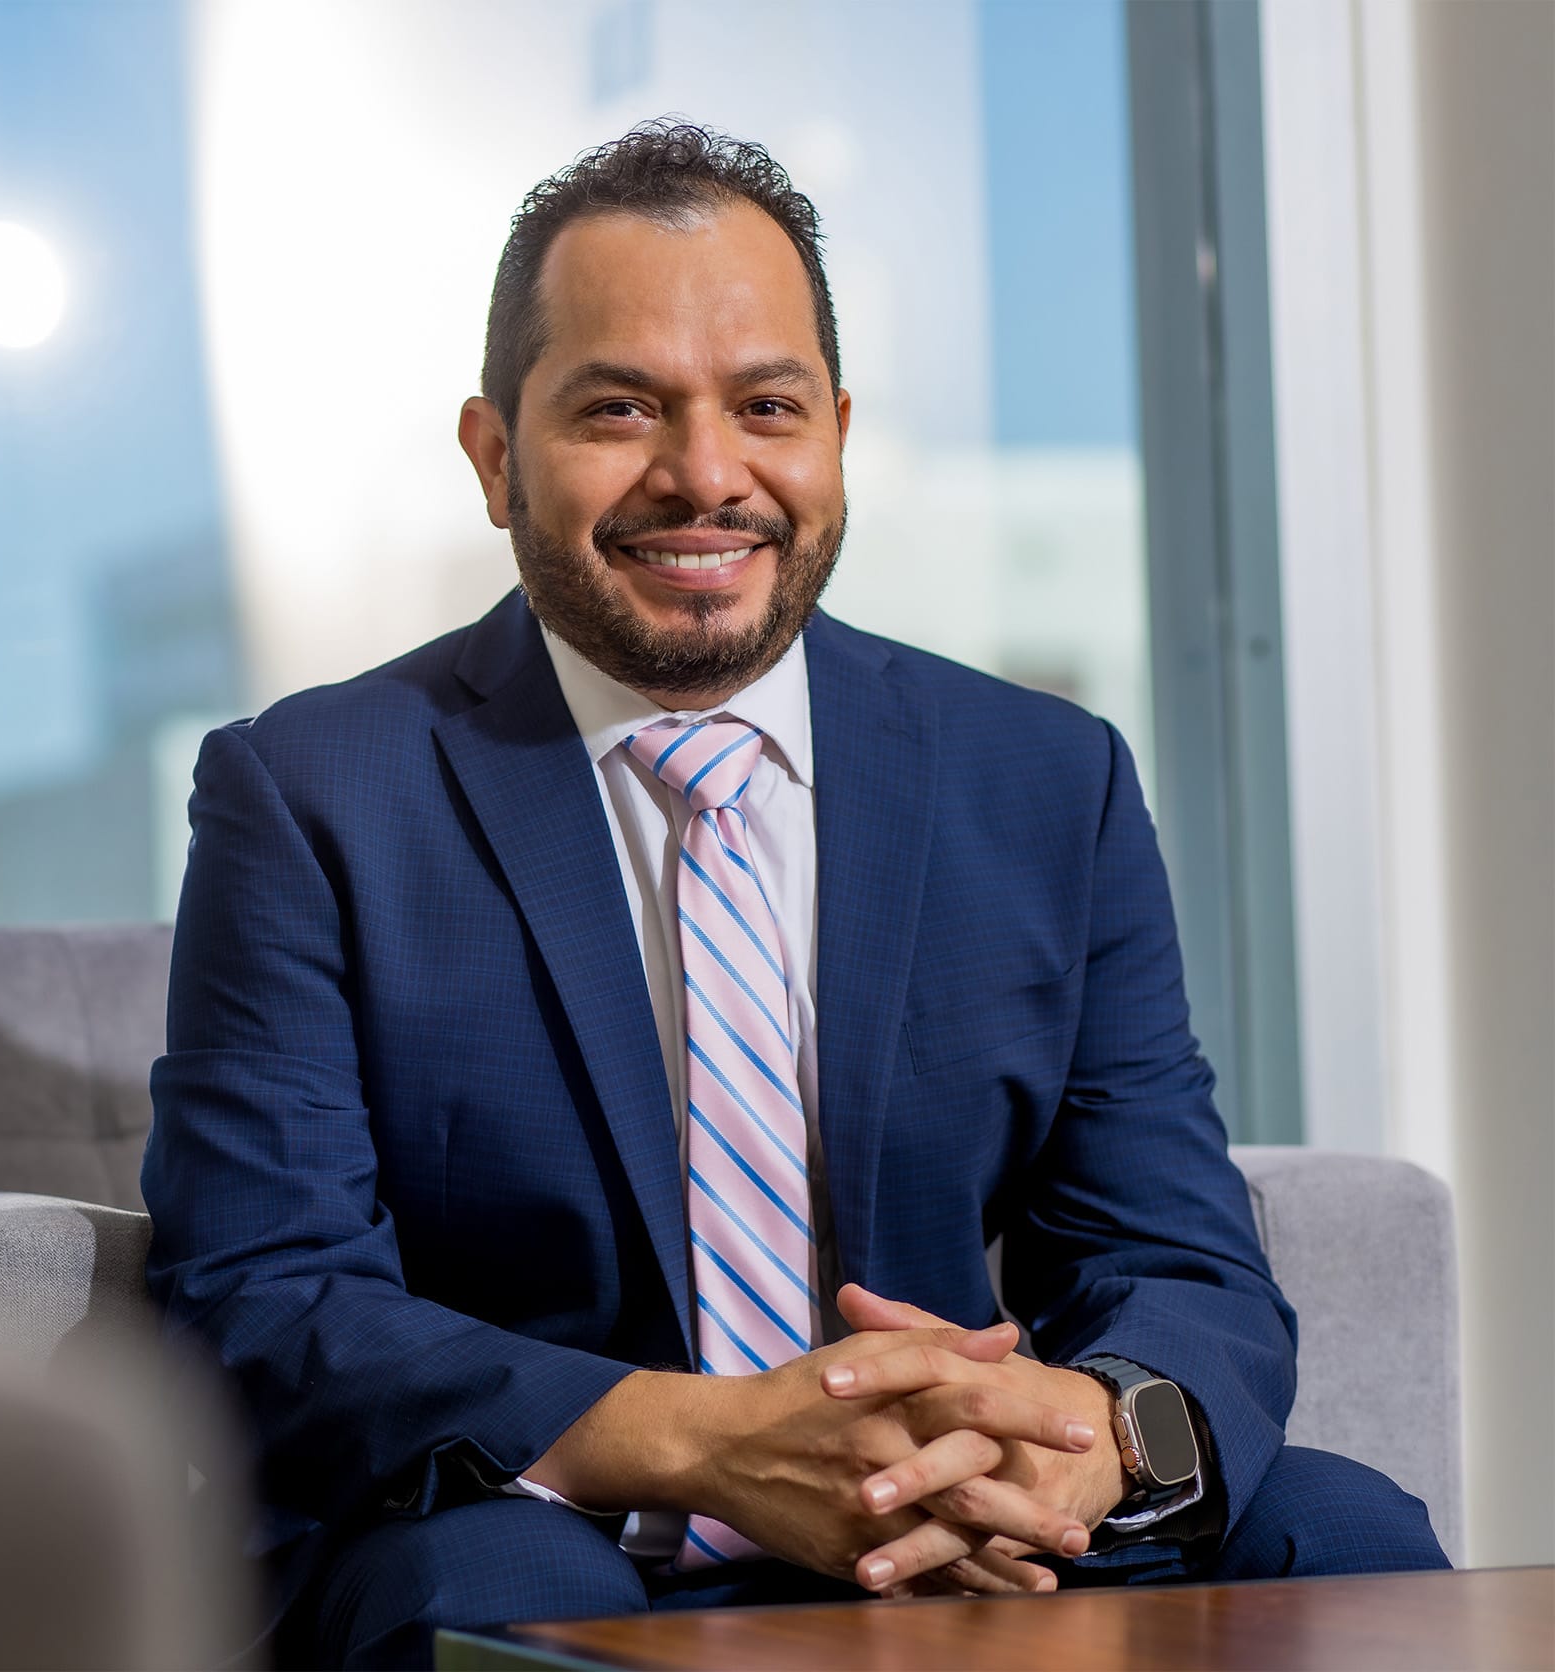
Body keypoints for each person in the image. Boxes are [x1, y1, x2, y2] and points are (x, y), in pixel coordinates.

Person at [142, 122, 1447, 1669]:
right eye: (619, 410)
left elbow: (1174, 1252)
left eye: (765, 408)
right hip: (561, 1525)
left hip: (973, 1530)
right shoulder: (313, 794)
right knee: (482, 1601)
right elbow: (268, 1295)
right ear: (497, 457)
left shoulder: (1045, 777)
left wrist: (1090, 1437)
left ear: (834, 432)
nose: (706, 475)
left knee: (1345, 1532)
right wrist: (703, 1442)